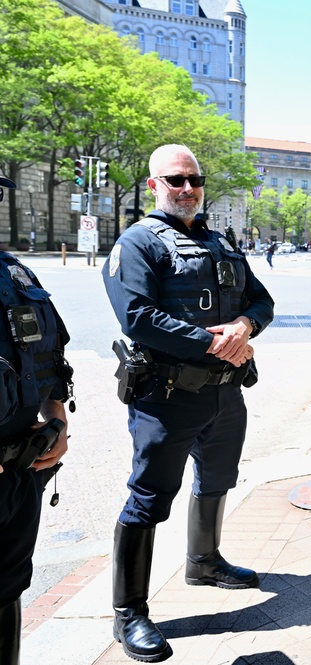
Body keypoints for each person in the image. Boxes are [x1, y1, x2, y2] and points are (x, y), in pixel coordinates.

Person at [102, 144, 274, 662]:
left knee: (218, 479)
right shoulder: (137, 243)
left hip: (225, 393)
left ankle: (204, 561)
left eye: (194, 180)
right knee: (149, 498)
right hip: (167, 398)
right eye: (175, 180)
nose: (187, 188)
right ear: (154, 185)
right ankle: (128, 611)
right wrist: (212, 343)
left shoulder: (221, 242)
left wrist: (245, 326)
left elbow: (260, 301)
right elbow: (137, 317)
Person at [0, 175, 73, 665]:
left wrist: (56, 415)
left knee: (5, 589)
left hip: (18, 473)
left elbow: (47, 354)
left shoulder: (14, 274)